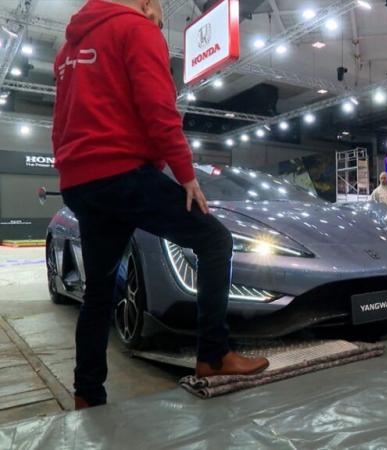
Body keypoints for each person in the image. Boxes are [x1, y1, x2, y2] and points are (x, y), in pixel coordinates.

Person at [53, 0, 269, 410]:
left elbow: (60, 120)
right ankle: (213, 356)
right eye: (157, 7)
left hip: (81, 180)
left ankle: (87, 394)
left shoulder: (67, 52)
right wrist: (186, 175)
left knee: (98, 291)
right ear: (147, 3)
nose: (157, 16)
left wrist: (68, 171)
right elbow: (159, 108)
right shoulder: (136, 30)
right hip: (123, 172)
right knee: (215, 240)